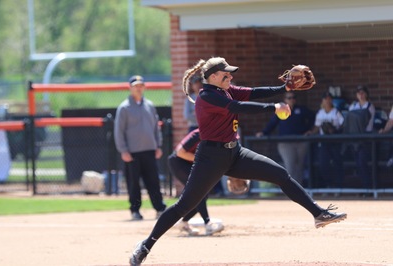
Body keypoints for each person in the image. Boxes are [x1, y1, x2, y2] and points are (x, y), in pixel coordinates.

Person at [129, 57, 347, 265]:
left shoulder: (225, 90)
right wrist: (274, 108)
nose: (230, 78)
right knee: (185, 206)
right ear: (213, 76)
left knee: (280, 174)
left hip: (235, 153)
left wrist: (284, 89)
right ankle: (146, 246)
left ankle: (319, 214)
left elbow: (253, 93)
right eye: (226, 75)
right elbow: (237, 107)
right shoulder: (207, 96)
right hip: (210, 158)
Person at [114, 75, 166, 221]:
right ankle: (135, 210)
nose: (138, 88)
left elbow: (156, 127)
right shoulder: (124, 108)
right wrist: (123, 150)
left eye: (141, 85)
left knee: (153, 181)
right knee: (134, 183)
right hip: (132, 152)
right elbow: (119, 131)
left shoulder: (149, 105)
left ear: (144, 87)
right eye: (135, 85)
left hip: (150, 150)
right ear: (130, 88)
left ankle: (159, 208)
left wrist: (158, 145)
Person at [168, 128, 224, 236]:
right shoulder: (199, 133)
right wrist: (203, 160)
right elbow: (180, 152)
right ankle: (208, 223)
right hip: (179, 162)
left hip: (193, 163)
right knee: (198, 191)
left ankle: (184, 222)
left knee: (203, 195)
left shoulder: (221, 137)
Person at [256, 91, 315, 185]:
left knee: (299, 166)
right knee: (290, 165)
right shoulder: (281, 110)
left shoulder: (301, 109)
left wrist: (309, 130)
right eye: (289, 98)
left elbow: (313, 117)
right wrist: (263, 132)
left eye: (293, 97)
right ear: (285, 99)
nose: (292, 99)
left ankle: (298, 189)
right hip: (285, 143)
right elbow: (272, 124)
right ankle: (289, 188)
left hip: (300, 141)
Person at [306, 92, 345, 188]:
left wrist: (334, 130)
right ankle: (328, 185)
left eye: (329, 99)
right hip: (323, 142)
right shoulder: (320, 113)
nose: (327, 101)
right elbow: (317, 127)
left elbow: (343, 125)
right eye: (325, 99)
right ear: (322, 101)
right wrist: (311, 132)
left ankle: (338, 186)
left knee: (337, 164)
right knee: (323, 164)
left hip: (335, 141)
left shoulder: (336, 112)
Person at [345, 85, 376, 188]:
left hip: (365, 137)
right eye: (359, 93)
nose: (361, 95)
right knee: (357, 163)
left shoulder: (369, 106)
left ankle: (367, 187)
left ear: (366, 94)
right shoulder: (353, 106)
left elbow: (365, 121)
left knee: (363, 162)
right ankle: (361, 186)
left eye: (363, 93)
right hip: (354, 138)